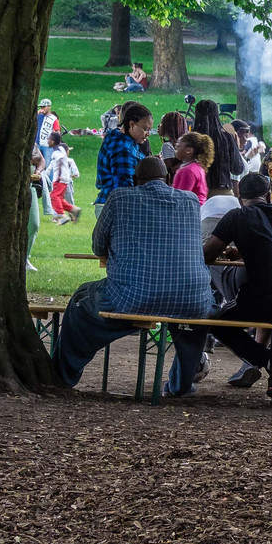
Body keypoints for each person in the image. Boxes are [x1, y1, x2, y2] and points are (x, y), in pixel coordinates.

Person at [51, 157, 211, 390]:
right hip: (192, 299)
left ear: (135, 180)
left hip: (132, 297)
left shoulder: (119, 197)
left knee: (80, 300)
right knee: (192, 319)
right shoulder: (191, 201)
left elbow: (98, 246)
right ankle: (181, 385)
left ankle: (62, 377)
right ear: (167, 179)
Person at [200, 171, 272, 404]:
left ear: (237, 194)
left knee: (218, 324)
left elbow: (207, 255)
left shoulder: (236, 216)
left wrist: (232, 247)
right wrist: (244, 248)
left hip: (266, 298)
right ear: (269, 194)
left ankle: (271, 363)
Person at [94, 102, 152, 213]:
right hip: (116, 207)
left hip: (107, 202)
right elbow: (124, 186)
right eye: (145, 129)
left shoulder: (118, 137)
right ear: (132, 125)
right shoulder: (122, 147)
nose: (148, 133)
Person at [170, 132, 213, 204]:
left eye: (179, 146)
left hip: (190, 211)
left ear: (189, 150)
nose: (176, 147)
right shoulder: (197, 167)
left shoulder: (188, 170)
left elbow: (181, 196)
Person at [47, 142, 81, 225]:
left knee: (55, 197)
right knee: (66, 199)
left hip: (58, 182)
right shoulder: (70, 160)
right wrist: (72, 176)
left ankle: (58, 216)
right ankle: (73, 213)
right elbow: (76, 173)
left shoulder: (54, 161)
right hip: (68, 182)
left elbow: (47, 171)